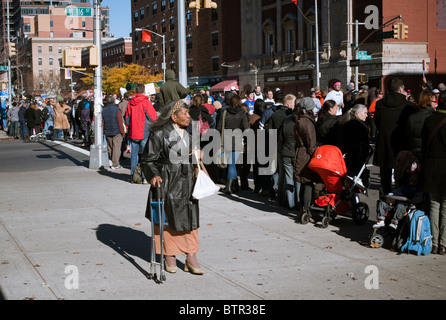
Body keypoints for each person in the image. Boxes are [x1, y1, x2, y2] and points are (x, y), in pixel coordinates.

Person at [141, 99, 204, 274]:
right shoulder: (160, 133)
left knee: (191, 222)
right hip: (168, 183)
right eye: (184, 113)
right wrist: (153, 175)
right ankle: (170, 256)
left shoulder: (189, 134)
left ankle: (191, 256)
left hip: (188, 184)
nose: (188, 117)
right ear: (173, 117)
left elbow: (193, 154)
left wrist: (198, 154)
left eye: (188, 113)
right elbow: (148, 159)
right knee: (167, 223)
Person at [373, 78, 416, 196]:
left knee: (385, 172)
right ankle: (400, 198)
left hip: (384, 140)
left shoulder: (380, 104)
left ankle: (385, 197)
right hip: (402, 140)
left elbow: (377, 121)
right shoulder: (409, 106)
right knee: (402, 171)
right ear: (401, 88)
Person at [421, 97, 446, 255]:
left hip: (431, 166)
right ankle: (443, 244)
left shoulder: (429, 120)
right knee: (445, 207)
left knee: (434, 205)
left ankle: (434, 243)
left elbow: (424, 145)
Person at [217, 94, 248, 194]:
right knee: (232, 163)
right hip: (238, 139)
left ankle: (229, 186)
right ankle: (232, 186)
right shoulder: (242, 113)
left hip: (226, 139)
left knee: (231, 163)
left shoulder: (225, 112)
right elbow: (246, 129)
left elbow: (218, 128)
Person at [293, 97, 319, 219]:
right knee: (308, 181)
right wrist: (315, 154)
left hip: (300, 152)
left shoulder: (299, 120)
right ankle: (306, 208)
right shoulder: (307, 122)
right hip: (306, 154)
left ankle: (302, 207)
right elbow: (311, 142)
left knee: (303, 182)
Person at [125, 83, 158, 179]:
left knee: (134, 156)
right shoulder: (146, 102)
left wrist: (129, 128)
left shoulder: (130, 103)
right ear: (144, 91)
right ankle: (144, 176)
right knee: (145, 156)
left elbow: (127, 118)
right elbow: (153, 117)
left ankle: (134, 175)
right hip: (145, 132)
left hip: (133, 132)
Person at [277, 96, 301, 209]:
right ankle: (297, 202)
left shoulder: (287, 120)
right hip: (296, 152)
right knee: (297, 179)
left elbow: (281, 137)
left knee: (289, 178)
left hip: (286, 151)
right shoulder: (302, 121)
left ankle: (290, 203)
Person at [336, 104, 370, 176]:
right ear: (357, 113)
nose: (366, 115)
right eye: (365, 113)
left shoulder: (344, 123)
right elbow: (362, 145)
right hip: (355, 160)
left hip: (344, 158)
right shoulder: (360, 127)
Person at [405, 91, 435, 160]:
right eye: (434, 101)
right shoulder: (433, 117)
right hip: (429, 153)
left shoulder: (411, 118)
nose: (435, 104)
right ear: (429, 102)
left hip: (414, 152)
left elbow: (408, 134)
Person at [102, 95, 126, 169]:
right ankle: (115, 164)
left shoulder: (103, 110)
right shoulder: (117, 110)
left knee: (111, 148)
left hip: (107, 131)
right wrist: (122, 132)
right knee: (116, 148)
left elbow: (103, 122)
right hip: (116, 131)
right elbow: (120, 122)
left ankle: (114, 162)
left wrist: (103, 131)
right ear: (113, 101)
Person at [248, 99, 265, 193]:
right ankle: (264, 186)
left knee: (256, 167)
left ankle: (257, 186)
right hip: (263, 145)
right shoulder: (264, 116)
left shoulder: (252, 118)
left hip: (254, 145)